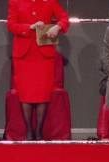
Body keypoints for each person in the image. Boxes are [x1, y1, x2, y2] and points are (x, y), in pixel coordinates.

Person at [7, 0, 69, 140]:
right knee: (25, 94)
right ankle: (29, 131)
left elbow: (64, 18)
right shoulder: (15, 2)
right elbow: (11, 25)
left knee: (43, 94)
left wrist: (58, 27)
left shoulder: (50, 1)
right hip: (24, 55)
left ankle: (39, 131)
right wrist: (30, 27)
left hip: (44, 54)